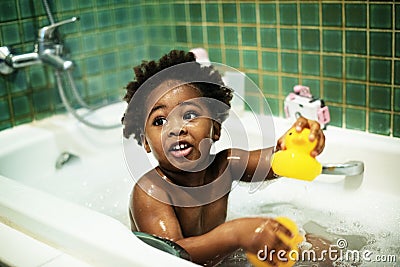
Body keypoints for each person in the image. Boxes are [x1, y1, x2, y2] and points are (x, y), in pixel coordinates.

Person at [121, 50, 325, 266]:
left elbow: (275, 161)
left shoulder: (224, 165)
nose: (175, 128)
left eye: (189, 115)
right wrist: (236, 233)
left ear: (215, 129)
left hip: (217, 260)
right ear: (145, 142)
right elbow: (171, 257)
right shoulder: (151, 192)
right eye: (159, 121)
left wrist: (297, 145)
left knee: (318, 246)